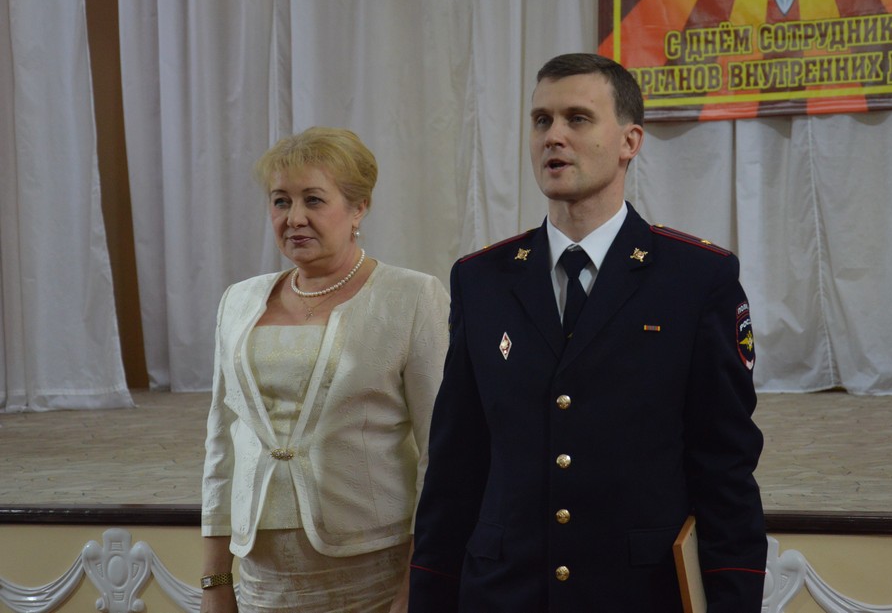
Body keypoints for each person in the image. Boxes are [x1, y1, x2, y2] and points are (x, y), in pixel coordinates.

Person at [409, 53, 766, 612]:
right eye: (541, 121)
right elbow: (455, 467)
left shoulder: (695, 279)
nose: (553, 136)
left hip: (636, 595)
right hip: (504, 594)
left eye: (577, 119)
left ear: (629, 141)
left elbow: (724, 469)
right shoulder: (481, 280)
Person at [200, 127, 449, 613]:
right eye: (280, 201)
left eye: (313, 200)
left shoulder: (413, 297)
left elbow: (440, 455)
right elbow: (221, 446)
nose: (294, 218)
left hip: (372, 579)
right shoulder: (238, 301)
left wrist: (417, 584)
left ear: (359, 208)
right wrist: (215, 582)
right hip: (261, 583)